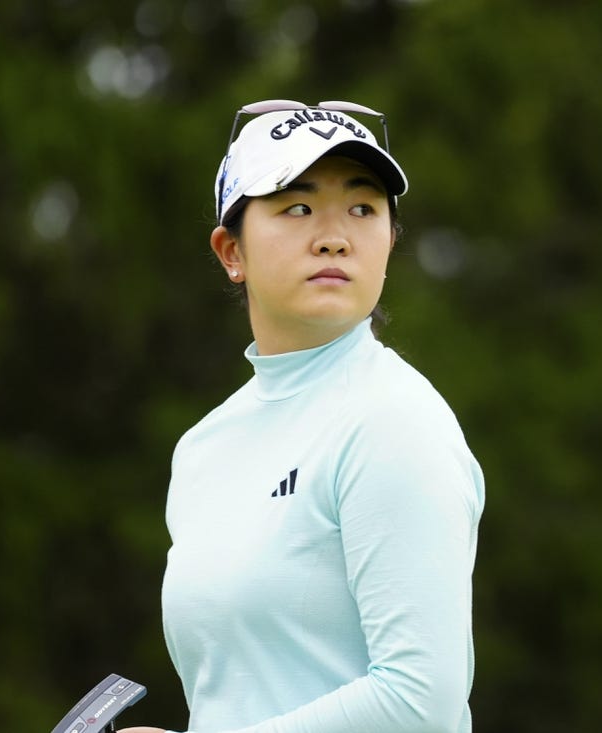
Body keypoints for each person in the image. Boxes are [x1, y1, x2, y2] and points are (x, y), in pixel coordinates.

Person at [121, 99, 485, 733]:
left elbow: (418, 703)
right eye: (296, 206)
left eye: (364, 208)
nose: (334, 234)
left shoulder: (393, 420)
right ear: (231, 251)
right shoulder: (204, 448)